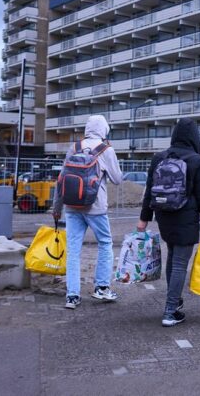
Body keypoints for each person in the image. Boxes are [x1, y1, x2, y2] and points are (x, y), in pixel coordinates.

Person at [137, 118, 200, 327]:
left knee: (173, 258)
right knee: (180, 263)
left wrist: (144, 219)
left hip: (164, 215)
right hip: (186, 217)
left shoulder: (159, 158)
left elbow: (149, 191)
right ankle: (170, 311)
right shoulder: (197, 161)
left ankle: (174, 302)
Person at [52, 115, 123, 309]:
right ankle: (101, 287)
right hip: (95, 207)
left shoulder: (74, 147)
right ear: (104, 130)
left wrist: (56, 208)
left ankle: (72, 296)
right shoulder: (106, 150)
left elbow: (61, 179)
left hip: (72, 206)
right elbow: (117, 179)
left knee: (74, 249)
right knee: (105, 242)